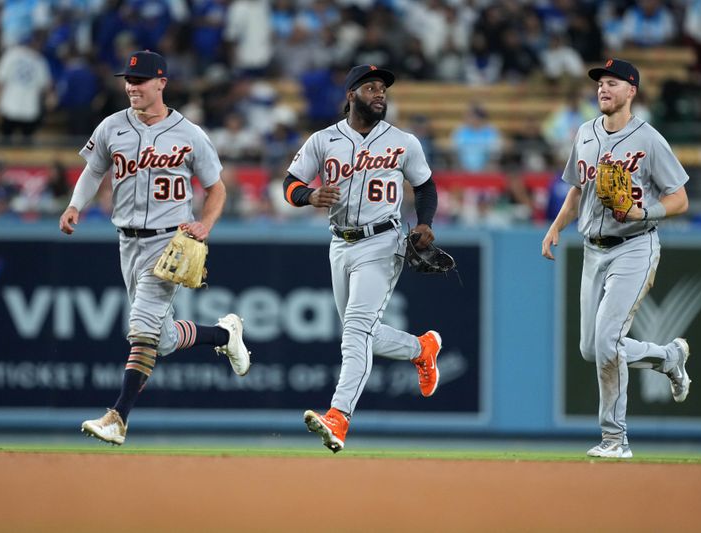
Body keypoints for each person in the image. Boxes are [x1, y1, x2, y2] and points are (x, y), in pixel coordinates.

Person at [58, 50, 250, 446]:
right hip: (126, 240)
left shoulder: (190, 133)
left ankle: (118, 416)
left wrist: (206, 224)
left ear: (162, 83)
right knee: (159, 339)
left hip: (169, 241)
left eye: (141, 80)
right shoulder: (112, 126)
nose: (132, 87)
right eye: (128, 80)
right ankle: (224, 335)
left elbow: (217, 189)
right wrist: (76, 205)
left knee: (142, 330)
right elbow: (93, 170)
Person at [282, 64, 442, 453]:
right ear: (351, 94)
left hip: (383, 242)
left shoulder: (403, 141)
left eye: (383, 88)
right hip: (340, 243)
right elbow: (290, 183)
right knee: (361, 334)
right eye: (370, 87)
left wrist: (425, 223)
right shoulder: (324, 140)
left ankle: (338, 417)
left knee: (355, 331)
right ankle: (422, 348)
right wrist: (309, 196)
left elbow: (424, 185)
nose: (379, 94)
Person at [541, 59, 692, 459]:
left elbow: (679, 198)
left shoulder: (649, 139)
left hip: (635, 246)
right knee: (593, 350)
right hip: (593, 249)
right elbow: (576, 188)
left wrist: (645, 212)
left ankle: (615, 438)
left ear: (631, 92)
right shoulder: (586, 132)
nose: (603, 89)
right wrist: (555, 226)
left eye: (612, 83)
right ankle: (668, 356)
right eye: (600, 84)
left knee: (608, 342)